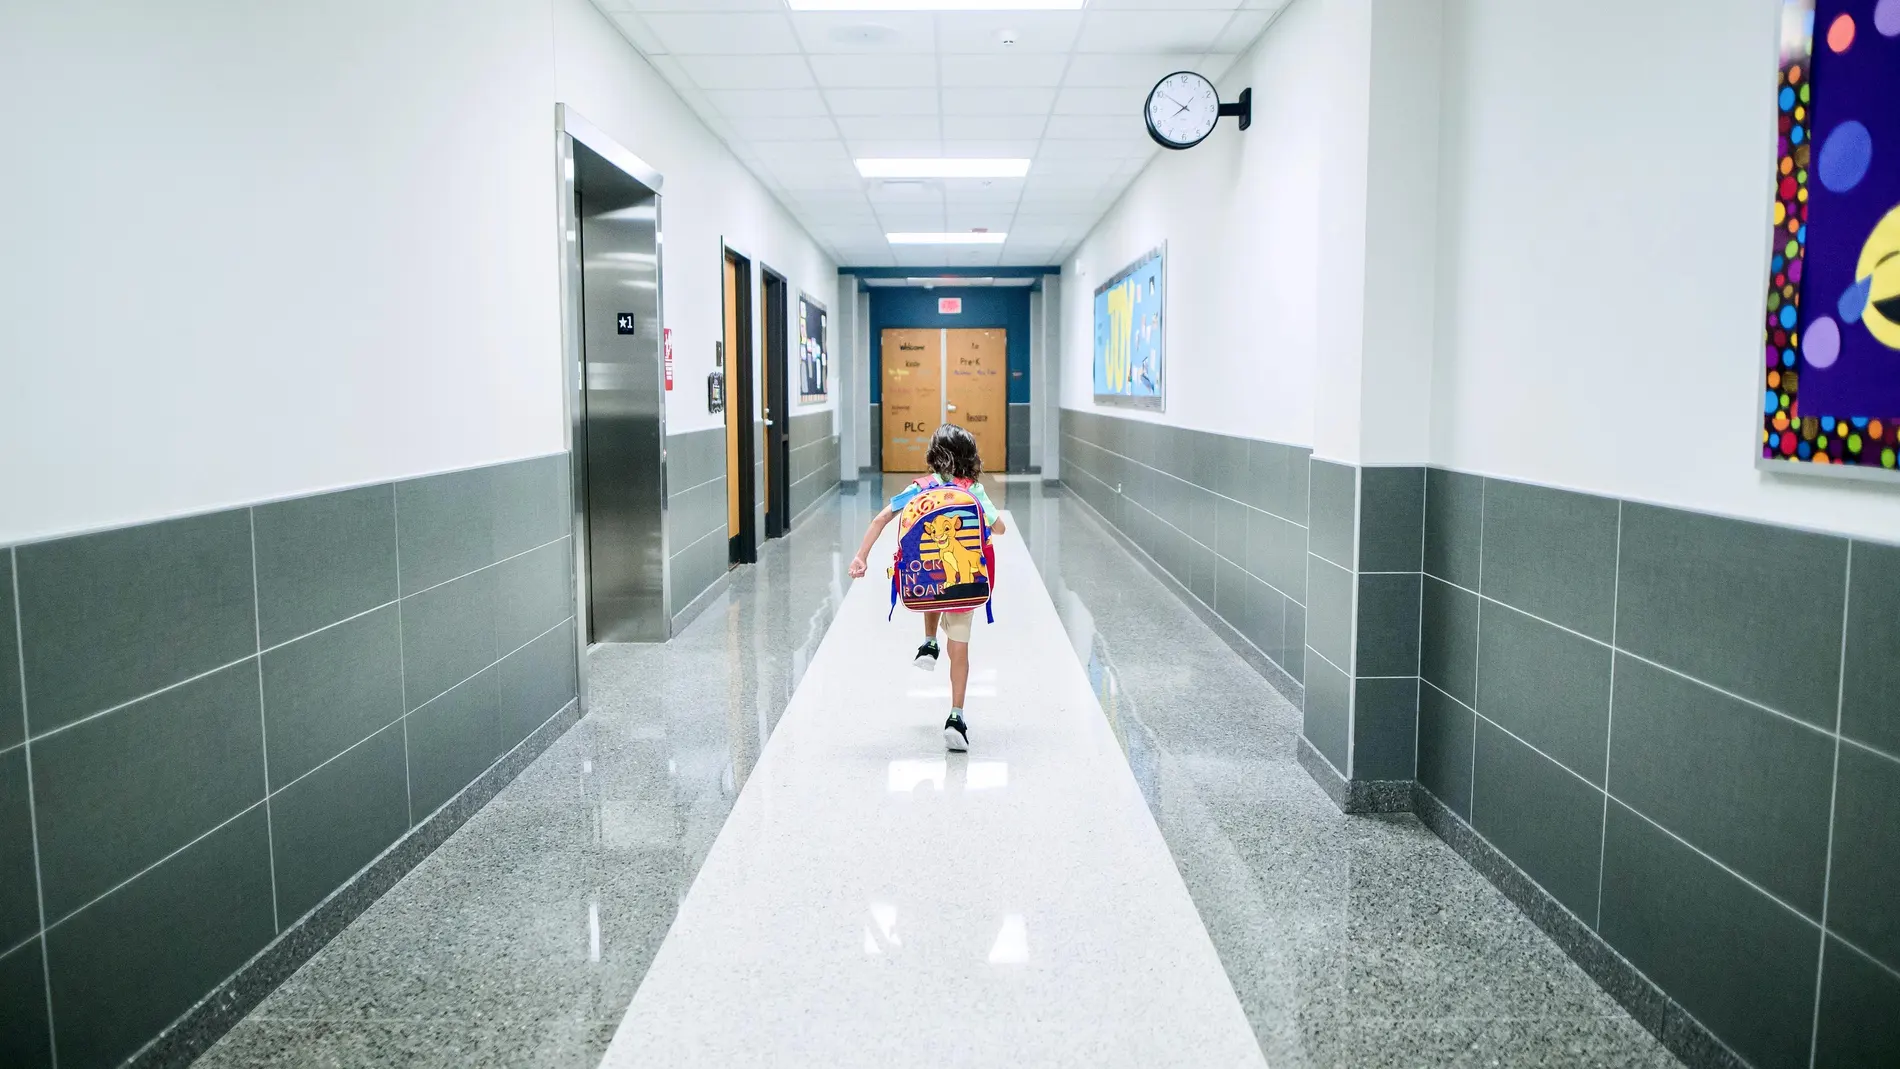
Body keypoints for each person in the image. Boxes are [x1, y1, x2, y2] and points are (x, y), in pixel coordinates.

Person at [848, 424, 1006, 751]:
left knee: (931, 583)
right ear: (970, 458)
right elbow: (999, 529)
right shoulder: (974, 490)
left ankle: (929, 641)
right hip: (966, 583)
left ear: (933, 457)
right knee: (960, 648)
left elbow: (880, 519)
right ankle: (956, 716)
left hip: (926, 582)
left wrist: (861, 557)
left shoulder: (920, 488)